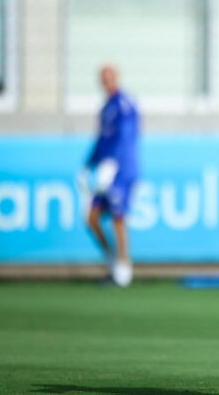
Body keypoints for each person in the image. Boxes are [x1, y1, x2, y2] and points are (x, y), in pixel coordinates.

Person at [82, 65, 140, 288]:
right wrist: (88, 165)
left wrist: (114, 163)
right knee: (92, 218)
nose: (106, 81)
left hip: (122, 171)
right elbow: (102, 139)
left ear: (116, 78)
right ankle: (112, 260)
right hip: (105, 170)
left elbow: (126, 137)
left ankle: (124, 267)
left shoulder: (124, 104)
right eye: (103, 78)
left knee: (118, 217)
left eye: (109, 77)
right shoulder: (105, 107)